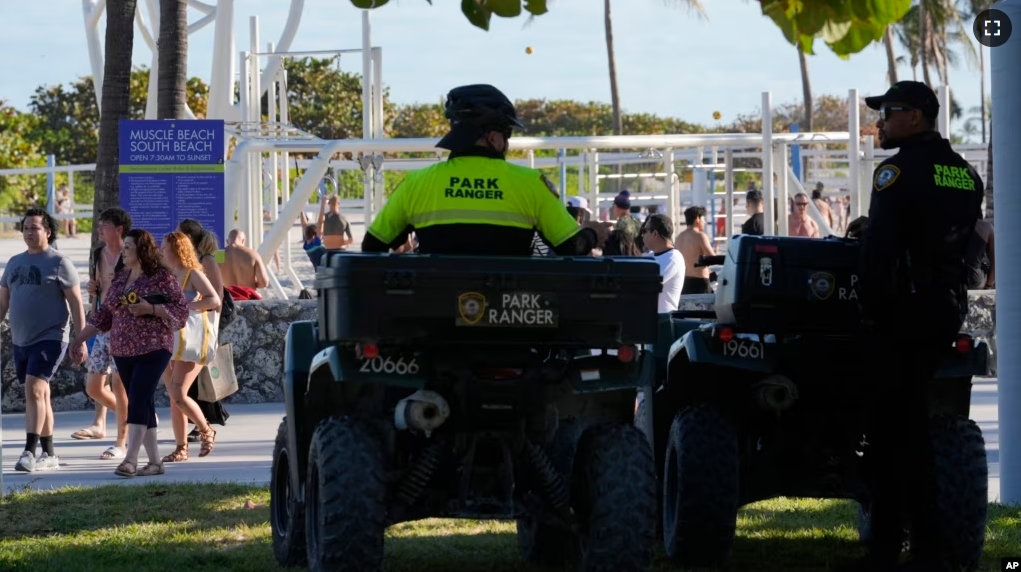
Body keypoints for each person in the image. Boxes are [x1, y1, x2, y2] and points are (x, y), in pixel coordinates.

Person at [855, 80, 985, 572]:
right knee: (909, 429)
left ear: (915, 116)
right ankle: (926, 548)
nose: (880, 122)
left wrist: (869, 313)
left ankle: (899, 551)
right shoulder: (965, 174)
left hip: (900, 316)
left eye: (888, 112)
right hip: (944, 310)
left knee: (892, 438)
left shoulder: (897, 172)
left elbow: (881, 254)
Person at [361, 84, 596, 256]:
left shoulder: (416, 183)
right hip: (509, 318)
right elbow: (571, 247)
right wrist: (593, 233)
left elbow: (372, 245)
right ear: (493, 137)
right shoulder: (532, 183)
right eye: (507, 135)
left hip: (432, 314)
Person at [71, 229, 190, 477]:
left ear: (141, 250)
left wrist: (152, 308)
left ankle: (131, 459)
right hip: (123, 350)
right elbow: (104, 315)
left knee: (137, 396)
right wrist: (79, 338)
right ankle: (156, 462)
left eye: (128, 247)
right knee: (142, 401)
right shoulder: (121, 277)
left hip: (154, 347)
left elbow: (181, 313)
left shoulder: (161, 277)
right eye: (123, 247)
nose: (123, 251)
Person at [0, 208, 88, 472]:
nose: (28, 232)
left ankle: (29, 451)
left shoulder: (60, 262)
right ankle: (50, 454)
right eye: (25, 227)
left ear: (48, 232)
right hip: (21, 339)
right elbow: (3, 301)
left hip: (51, 337)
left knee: (34, 390)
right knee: (42, 394)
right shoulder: (14, 262)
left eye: (34, 227)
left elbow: (76, 304)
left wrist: (80, 340)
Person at [72, 207, 132, 462]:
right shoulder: (99, 254)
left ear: (118, 229)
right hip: (102, 323)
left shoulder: (131, 255)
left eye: (104, 225)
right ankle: (138, 417)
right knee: (94, 387)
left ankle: (121, 442)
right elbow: (98, 289)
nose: (99, 229)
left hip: (124, 326)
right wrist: (94, 288)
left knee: (119, 384)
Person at [160, 231, 222, 462]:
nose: (161, 250)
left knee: (178, 393)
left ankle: (206, 430)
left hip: (190, 340)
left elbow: (214, 300)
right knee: (174, 398)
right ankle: (181, 448)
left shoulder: (192, 273)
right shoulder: (165, 275)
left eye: (164, 246)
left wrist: (186, 305)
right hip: (170, 340)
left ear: (177, 249)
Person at [641, 214, 685, 312]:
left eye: (645, 231)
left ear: (655, 234)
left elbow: (646, 285)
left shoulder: (673, 258)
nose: (642, 235)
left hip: (662, 321)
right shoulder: (650, 256)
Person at [675, 206, 717, 295]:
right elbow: (713, 258)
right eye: (703, 219)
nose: (704, 222)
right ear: (697, 219)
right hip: (700, 283)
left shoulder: (678, 238)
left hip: (684, 283)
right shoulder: (700, 236)